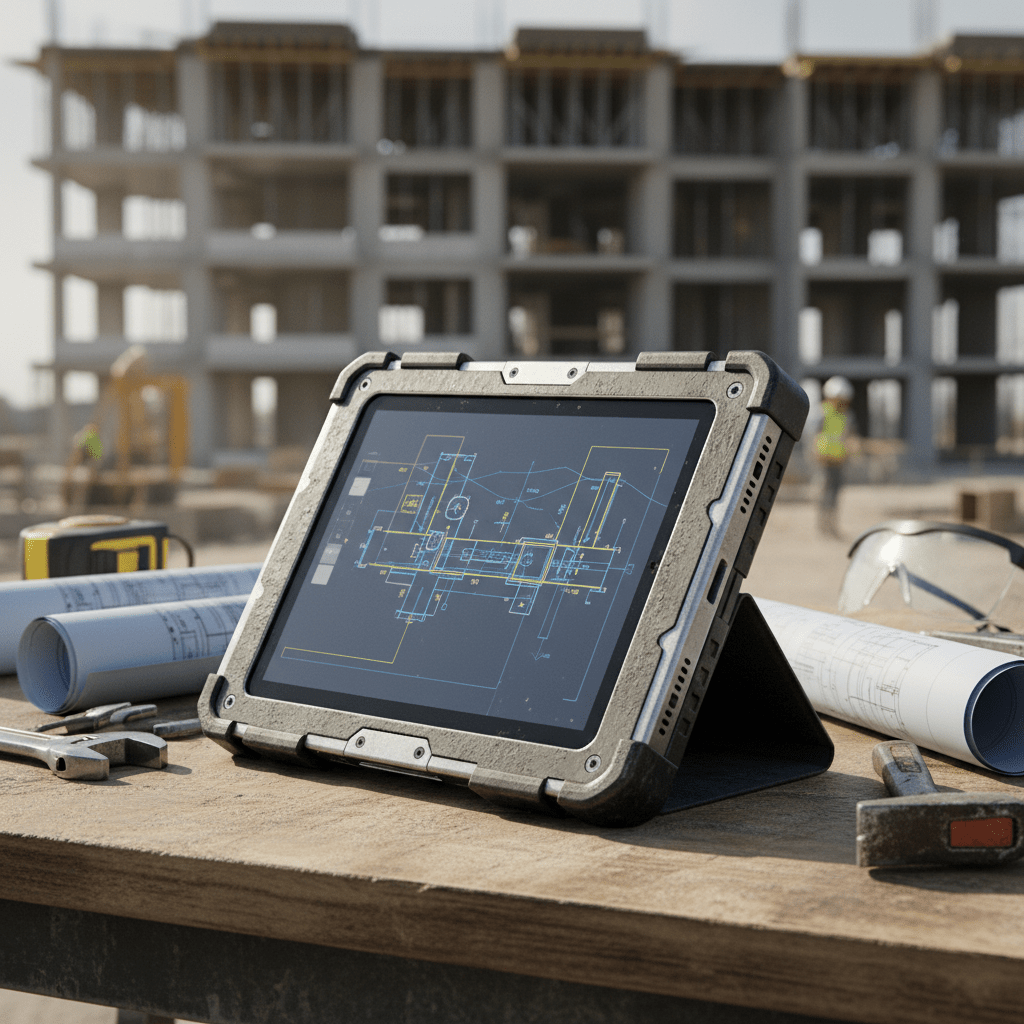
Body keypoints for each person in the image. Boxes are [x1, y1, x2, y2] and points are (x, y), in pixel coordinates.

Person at [815, 376, 856, 538]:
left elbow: (848, 437)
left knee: (835, 493)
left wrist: (851, 451)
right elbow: (815, 436)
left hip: (839, 460)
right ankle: (823, 525)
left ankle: (832, 525)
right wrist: (816, 454)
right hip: (824, 461)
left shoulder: (846, 416)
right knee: (825, 493)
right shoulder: (822, 412)